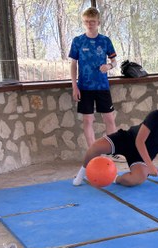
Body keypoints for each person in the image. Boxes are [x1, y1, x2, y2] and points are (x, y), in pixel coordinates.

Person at [73, 97, 158, 187]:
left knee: (138, 179)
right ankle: (81, 175)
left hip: (141, 156)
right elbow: (139, 141)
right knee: (95, 147)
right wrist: (150, 165)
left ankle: (114, 178)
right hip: (128, 140)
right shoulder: (155, 116)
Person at [69, 7, 125, 162]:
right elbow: (73, 65)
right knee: (88, 120)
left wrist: (109, 66)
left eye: (92, 22)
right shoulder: (78, 41)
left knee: (109, 119)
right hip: (84, 88)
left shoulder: (105, 41)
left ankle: (112, 152)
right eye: (86, 21)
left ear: (98, 22)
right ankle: (93, 154)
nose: (89, 24)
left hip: (102, 87)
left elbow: (114, 61)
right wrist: (74, 86)